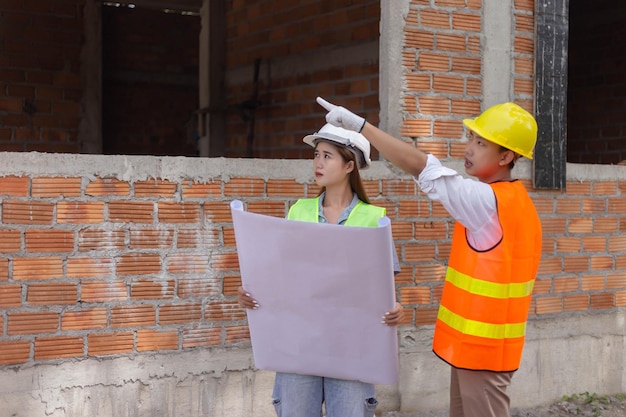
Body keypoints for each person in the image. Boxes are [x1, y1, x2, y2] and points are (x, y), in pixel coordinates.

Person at [316, 97, 542, 417]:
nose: (469, 148)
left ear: (506, 156)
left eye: (481, 143)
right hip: (480, 350)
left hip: (484, 354)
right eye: (471, 138)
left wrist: (360, 127)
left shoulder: (486, 201)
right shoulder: (514, 201)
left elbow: (421, 166)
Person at [237, 122, 405, 417]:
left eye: (327, 156)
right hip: (299, 344)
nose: (317, 162)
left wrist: (396, 308)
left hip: (352, 349)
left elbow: (383, 287)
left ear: (349, 165)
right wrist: (252, 291)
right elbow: (279, 275)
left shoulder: (374, 219)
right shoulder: (297, 212)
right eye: (316, 155)